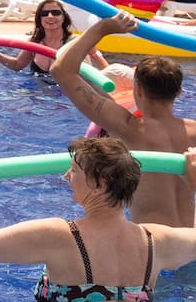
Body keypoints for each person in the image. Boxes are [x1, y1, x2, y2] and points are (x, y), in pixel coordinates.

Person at [0, 137, 196, 297]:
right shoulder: (156, 241)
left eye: (74, 170)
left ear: (99, 184)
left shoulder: (61, 237)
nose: (66, 176)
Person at [54, 13, 196, 226]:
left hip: (155, 247)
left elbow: (62, 70)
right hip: (190, 244)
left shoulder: (127, 128)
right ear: (179, 92)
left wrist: (102, 28)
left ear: (137, 89)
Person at [0, 0, 110, 77]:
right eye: (45, 14)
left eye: (55, 13)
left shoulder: (76, 41)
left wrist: (95, 54)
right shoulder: (35, 43)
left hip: (68, 99)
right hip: (38, 97)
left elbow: (99, 69)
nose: (50, 16)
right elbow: (17, 65)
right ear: (40, 19)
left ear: (63, 17)